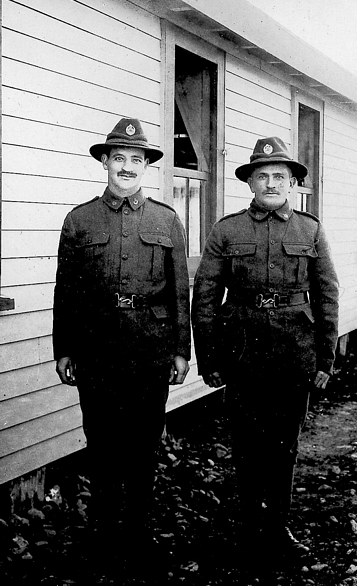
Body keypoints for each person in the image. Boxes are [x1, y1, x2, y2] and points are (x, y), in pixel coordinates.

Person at [191, 137, 339, 569]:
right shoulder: (227, 229)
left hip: (295, 352)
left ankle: (277, 527)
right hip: (242, 352)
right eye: (262, 176)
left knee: (284, 445)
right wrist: (211, 359)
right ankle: (247, 527)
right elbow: (205, 295)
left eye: (280, 176)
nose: (271, 183)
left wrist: (325, 360)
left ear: (293, 182)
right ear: (250, 182)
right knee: (246, 443)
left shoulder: (310, 230)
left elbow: (327, 295)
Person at [53, 117, 191, 581]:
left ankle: (137, 537)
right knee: (102, 444)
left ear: (147, 167)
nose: (127, 167)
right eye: (119, 159)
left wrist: (180, 351)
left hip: (150, 351)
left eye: (137, 159)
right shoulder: (79, 220)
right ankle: (104, 539)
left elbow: (179, 293)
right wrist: (65, 348)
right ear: (106, 164)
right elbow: (66, 291)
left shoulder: (167, 220)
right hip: (96, 349)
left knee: (142, 448)